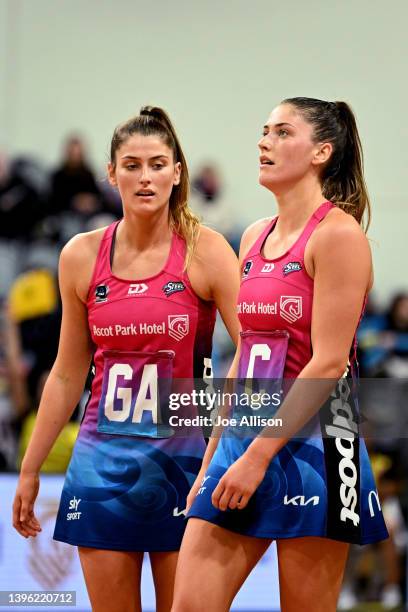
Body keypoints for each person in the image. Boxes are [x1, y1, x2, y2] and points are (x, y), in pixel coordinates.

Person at [12, 106, 240, 612]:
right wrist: (30, 469)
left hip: (185, 463)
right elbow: (68, 371)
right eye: (132, 165)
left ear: (177, 172)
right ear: (111, 174)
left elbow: (254, 358)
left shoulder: (207, 250)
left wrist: (227, 451)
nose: (145, 176)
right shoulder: (79, 254)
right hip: (101, 464)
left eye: (158, 164)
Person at [172, 97, 389, 612]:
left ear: (321, 152)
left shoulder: (339, 236)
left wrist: (258, 456)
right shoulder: (252, 237)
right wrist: (211, 459)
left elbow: (329, 364)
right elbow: (246, 358)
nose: (264, 141)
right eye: (264, 130)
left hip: (319, 441)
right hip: (245, 436)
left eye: (282, 132)